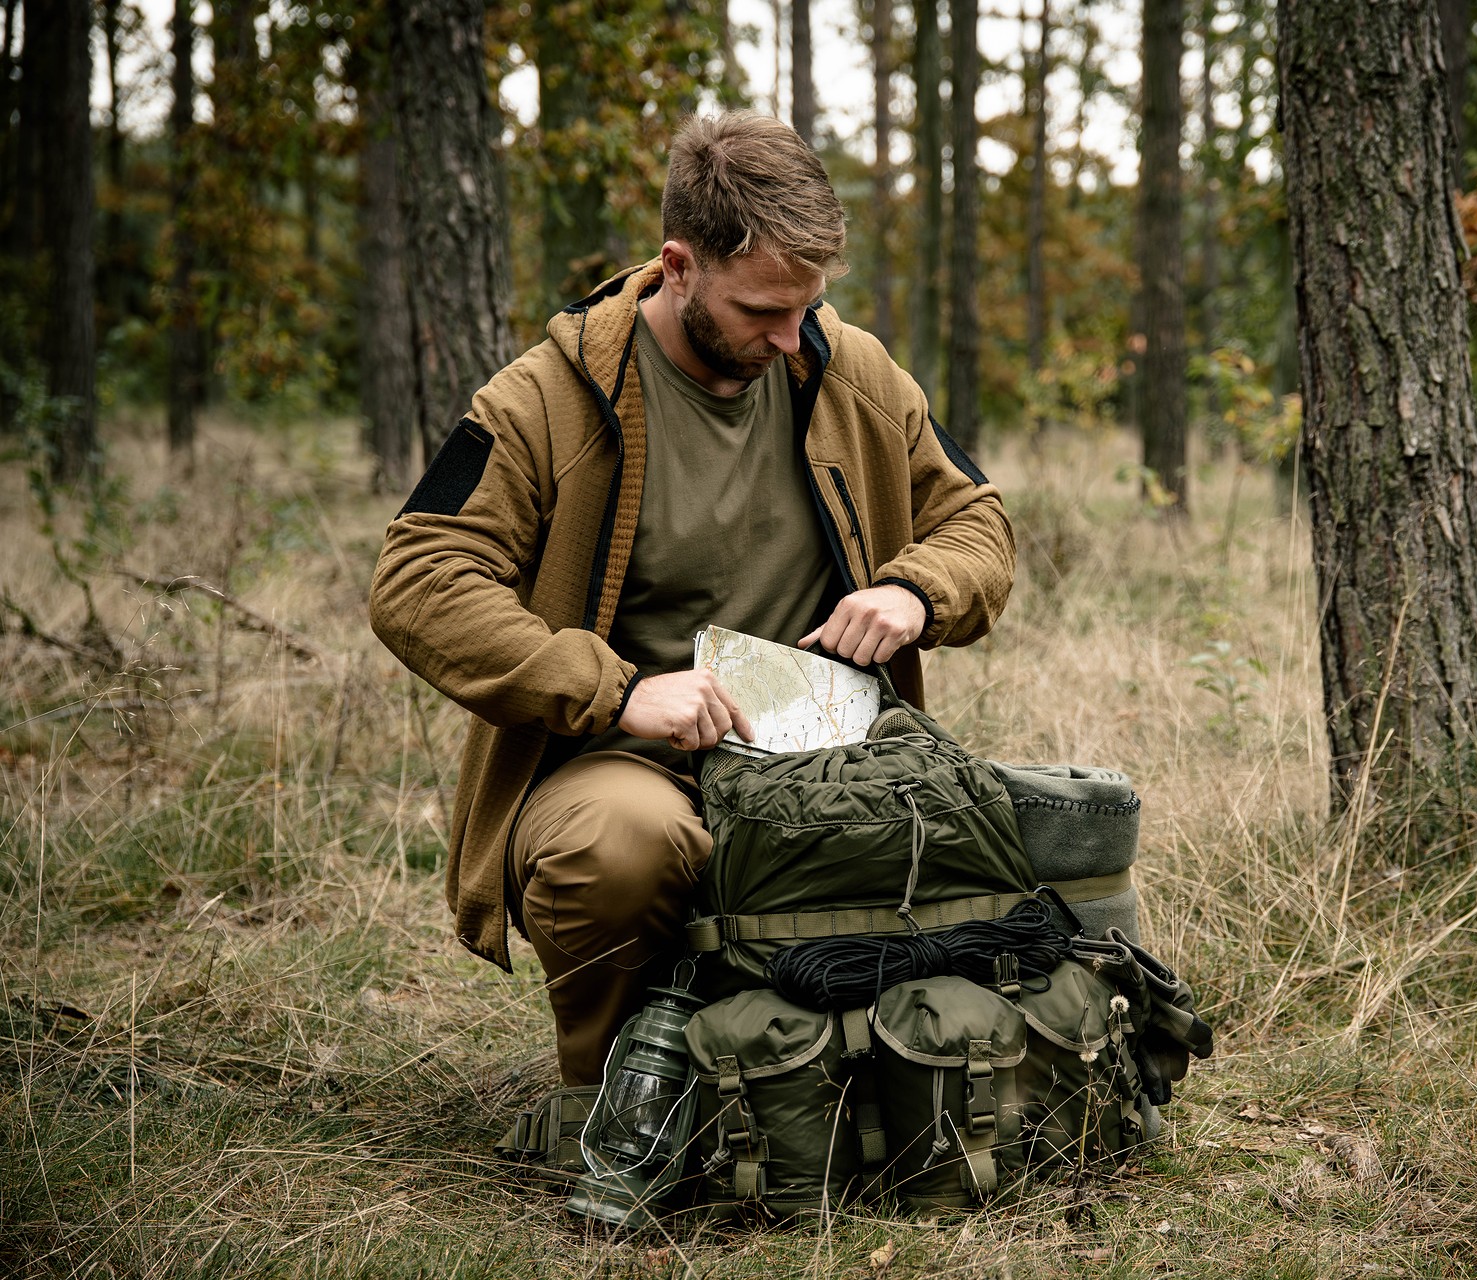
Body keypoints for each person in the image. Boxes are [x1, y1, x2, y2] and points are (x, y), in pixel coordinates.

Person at [369, 113, 1016, 1086]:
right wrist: (619, 691)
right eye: (762, 309)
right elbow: (418, 577)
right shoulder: (550, 395)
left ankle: (825, 1092)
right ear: (679, 266)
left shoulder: (847, 371)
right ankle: (612, 1105)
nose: (791, 336)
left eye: (808, 305)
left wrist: (916, 592)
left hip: (821, 761)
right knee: (625, 845)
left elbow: (979, 524)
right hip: (622, 761)